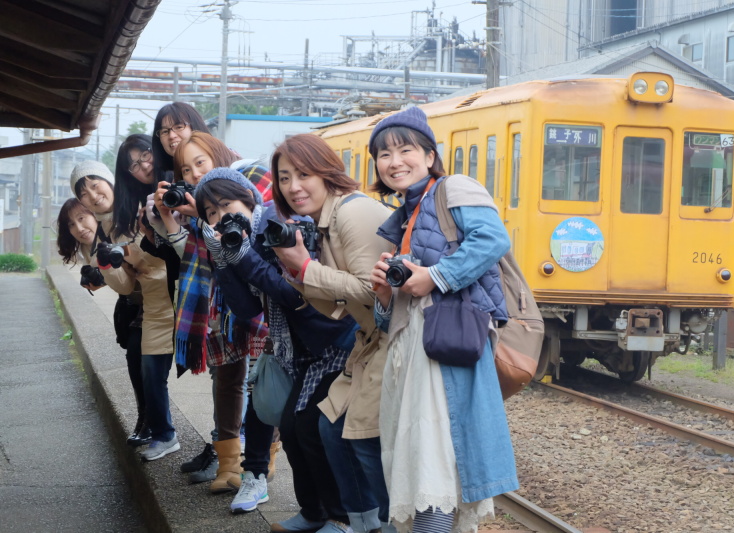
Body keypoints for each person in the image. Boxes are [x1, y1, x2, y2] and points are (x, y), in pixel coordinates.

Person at [368, 107, 518, 533]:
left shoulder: (455, 188)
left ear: (430, 155)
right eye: (383, 154)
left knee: (433, 465)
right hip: (412, 350)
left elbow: (493, 239)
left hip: (441, 348)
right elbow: (394, 315)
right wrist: (384, 294)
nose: (394, 161)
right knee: (422, 466)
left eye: (405, 149)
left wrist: (433, 276)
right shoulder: (404, 215)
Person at [195, 166, 358, 524]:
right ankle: (313, 512)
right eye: (210, 212)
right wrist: (223, 260)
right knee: (296, 432)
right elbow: (248, 308)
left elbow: (292, 293)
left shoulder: (278, 226)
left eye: (226, 204)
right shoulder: (238, 240)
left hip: (333, 341)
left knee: (313, 431)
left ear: (249, 199)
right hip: (297, 348)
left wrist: (242, 258)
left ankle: (341, 519)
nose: (221, 216)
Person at [269, 134, 394, 533]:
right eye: (285, 178)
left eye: (303, 174)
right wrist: (297, 270)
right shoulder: (323, 222)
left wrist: (305, 269)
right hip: (370, 339)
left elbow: (370, 289)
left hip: (394, 340)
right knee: (329, 426)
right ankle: (361, 522)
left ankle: (384, 522)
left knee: (354, 433)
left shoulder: (351, 213)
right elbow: (336, 306)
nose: (293, 186)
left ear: (327, 172)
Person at [147, 133, 271, 494]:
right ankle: (229, 464)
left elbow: (256, 219)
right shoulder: (199, 203)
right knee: (227, 378)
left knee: (265, 376)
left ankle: (265, 460)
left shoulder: (248, 175)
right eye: (186, 168)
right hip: (219, 299)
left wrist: (203, 213)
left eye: (201, 162)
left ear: (217, 154)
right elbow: (190, 251)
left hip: (259, 292)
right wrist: (172, 219)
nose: (195, 172)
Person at [70, 160, 178, 461]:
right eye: (84, 192)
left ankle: (223, 448)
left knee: (224, 374)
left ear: (110, 181)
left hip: (176, 295)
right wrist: (106, 265)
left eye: (95, 184)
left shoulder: (137, 208)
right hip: (149, 304)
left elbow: (160, 249)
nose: (93, 194)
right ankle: (162, 433)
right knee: (146, 367)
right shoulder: (102, 230)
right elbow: (126, 286)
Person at [151, 101, 212, 184]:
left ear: (195, 126)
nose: (171, 136)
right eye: (165, 131)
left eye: (179, 127)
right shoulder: (173, 182)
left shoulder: (229, 166)